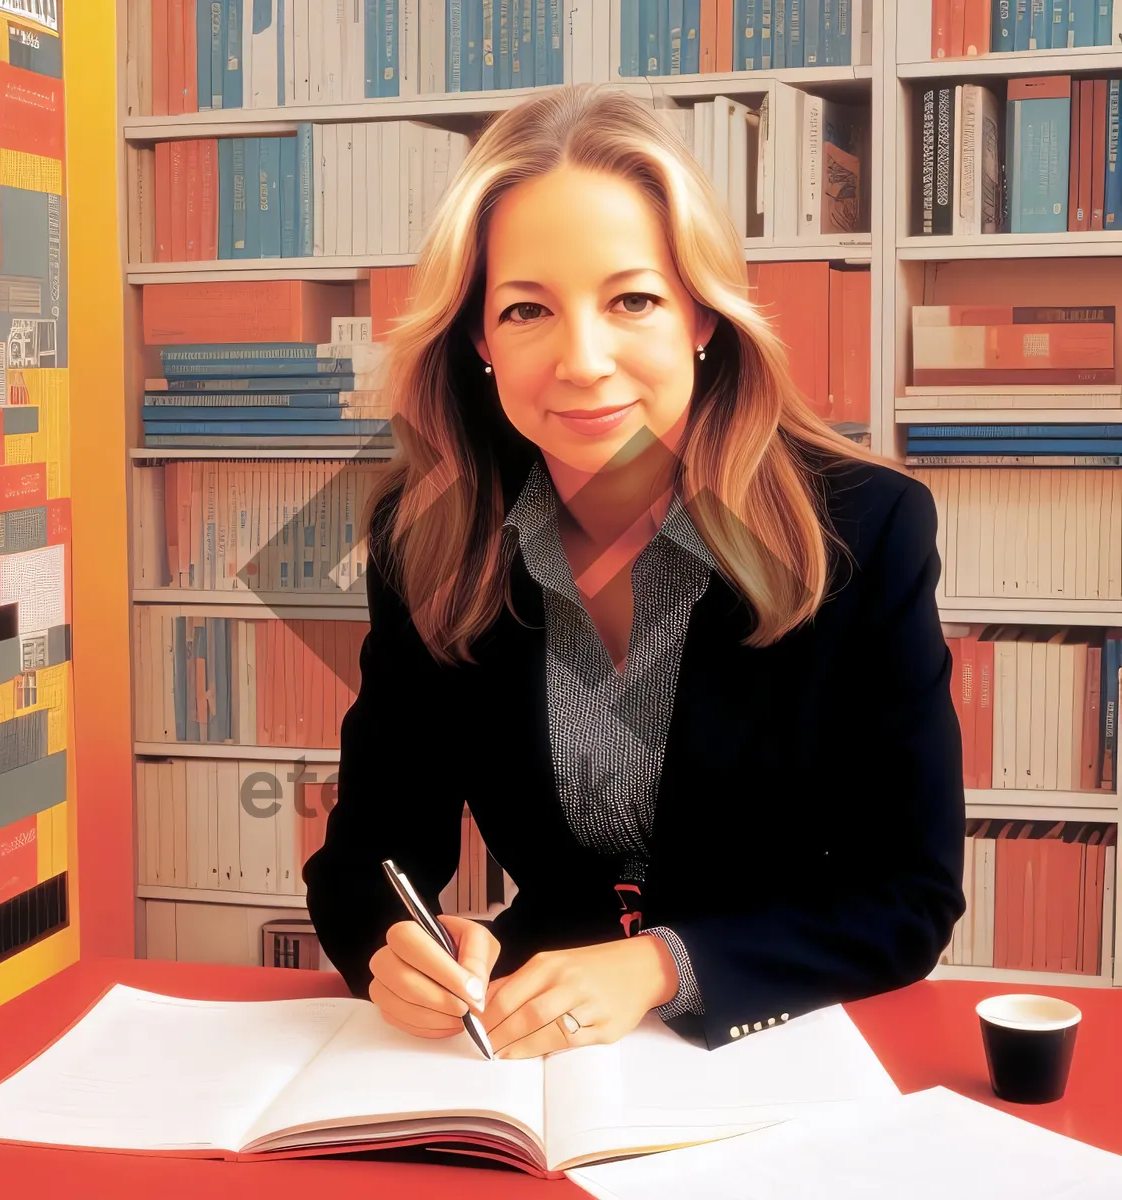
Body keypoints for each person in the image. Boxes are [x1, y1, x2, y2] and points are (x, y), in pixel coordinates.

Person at [305, 83, 965, 1059]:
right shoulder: (429, 533)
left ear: (701, 313)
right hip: (535, 1050)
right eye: (528, 309)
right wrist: (394, 948)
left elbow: (907, 897)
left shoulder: (866, 529)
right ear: (480, 339)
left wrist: (662, 964)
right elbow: (369, 858)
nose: (583, 359)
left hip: (784, 1041)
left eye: (633, 299)